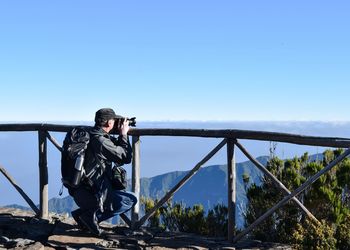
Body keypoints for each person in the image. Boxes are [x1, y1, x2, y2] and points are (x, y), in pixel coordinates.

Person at [70, 108, 138, 236]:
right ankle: (89, 217)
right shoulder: (100, 141)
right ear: (108, 123)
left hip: (79, 190)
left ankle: (82, 215)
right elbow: (125, 157)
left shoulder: (90, 134)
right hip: (92, 193)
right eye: (114, 120)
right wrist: (123, 134)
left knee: (118, 190)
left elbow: (111, 148)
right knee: (130, 200)